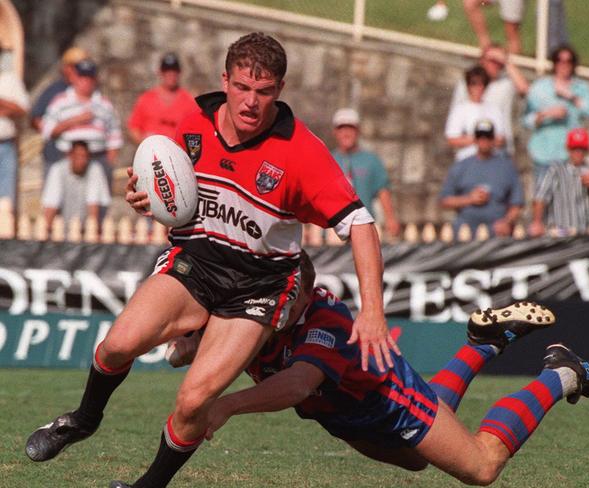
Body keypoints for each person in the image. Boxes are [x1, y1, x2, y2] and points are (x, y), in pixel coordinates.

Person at [25, 32, 399, 487]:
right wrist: (141, 196)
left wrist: (373, 311)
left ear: (279, 91)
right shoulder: (193, 123)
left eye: (263, 92)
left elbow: (361, 224)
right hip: (196, 261)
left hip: (258, 286)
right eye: (242, 88)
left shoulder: (303, 152)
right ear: (225, 80)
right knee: (118, 344)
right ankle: (83, 419)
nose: (250, 103)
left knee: (192, 401)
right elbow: (165, 190)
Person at [138, 252, 589, 488]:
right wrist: (185, 340)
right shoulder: (257, 310)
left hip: (387, 399)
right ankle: (481, 346)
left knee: (480, 466)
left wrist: (226, 405)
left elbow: (299, 382)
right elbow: (192, 334)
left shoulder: (325, 320)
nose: (279, 308)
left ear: (306, 293)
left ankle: (562, 373)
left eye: (290, 298)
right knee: (417, 459)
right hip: (342, 418)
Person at [40, 58, 123, 192]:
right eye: (82, 77)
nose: (86, 82)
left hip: (98, 158)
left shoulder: (104, 103)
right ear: (74, 78)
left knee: (98, 201)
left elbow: (114, 133)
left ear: (95, 80)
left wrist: (109, 161)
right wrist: (75, 120)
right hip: (68, 158)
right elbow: (48, 131)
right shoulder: (60, 101)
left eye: (89, 78)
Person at [523, 45, 589, 186]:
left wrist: (572, 97)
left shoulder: (582, 88)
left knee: (566, 200)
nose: (564, 65)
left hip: (569, 156)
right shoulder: (540, 87)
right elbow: (527, 120)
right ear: (555, 63)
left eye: (568, 61)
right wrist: (547, 114)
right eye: (560, 60)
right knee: (542, 199)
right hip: (544, 153)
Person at [440, 119, 524, 238]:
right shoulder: (461, 166)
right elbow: (445, 201)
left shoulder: (507, 167)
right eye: (480, 137)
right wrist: (469, 199)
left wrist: (506, 222)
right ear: (475, 139)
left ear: (493, 139)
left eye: (487, 137)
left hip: (496, 229)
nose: (484, 141)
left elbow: (517, 203)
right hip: (466, 230)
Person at [331, 107, 400, 238]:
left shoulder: (371, 160)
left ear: (358, 131)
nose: (346, 133)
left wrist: (390, 218)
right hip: (334, 228)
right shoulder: (328, 160)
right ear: (335, 132)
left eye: (350, 128)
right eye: (342, 128)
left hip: (365, 225)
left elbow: (383, 190)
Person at [529, 128, 589, 237]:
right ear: (568, 149)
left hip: (585, 235)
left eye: (582, 149)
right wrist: (537, 222)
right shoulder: (555, 170)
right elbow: (540, 197)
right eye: (574, 149)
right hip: (559, 234)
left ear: (587, 150)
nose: (578, 153)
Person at [449, 44, 529, 156]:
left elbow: (525, 90)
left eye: (498, 61)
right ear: (482, 60)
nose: (495, 65)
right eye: (492, 60)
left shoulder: (506, 83)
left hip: (500, 151)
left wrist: (506, 61)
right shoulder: (467, 84)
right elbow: (456, 117)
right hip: (470, 153)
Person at [30, 46, 89, 177]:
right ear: (66, 68)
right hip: (55, 156)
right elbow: (36, 119)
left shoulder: (90, 90)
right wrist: (54, 130)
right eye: (76, 66)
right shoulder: (54, 90)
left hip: (82, 160)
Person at [41, 140, 112, 233]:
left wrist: (92, 234)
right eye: (78, 157)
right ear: (70, 156)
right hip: (61, 230)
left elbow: (93, 205)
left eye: (85, 157)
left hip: (87, 230)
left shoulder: (94, 169)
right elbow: (51, 204)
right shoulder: (58, 169)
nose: (82, 161)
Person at [127, 52, 197, 144]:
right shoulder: (146, 99)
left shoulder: (189, 101)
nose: (171, 74)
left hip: (177, 153)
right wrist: (145, 142)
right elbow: (134, 127)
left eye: (174, 71)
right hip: (151, 153)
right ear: (160, 72)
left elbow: (196, 131)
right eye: (167, 71)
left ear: (179, 73)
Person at [445, 66, 505, 162]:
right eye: (474, 83)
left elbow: (500, 139)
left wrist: (483, 143)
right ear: (468, 86)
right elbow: (452, 139)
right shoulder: (460, 110)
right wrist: (478, 140)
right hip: (466, 160)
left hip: (491, 161)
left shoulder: (494, 110)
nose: (478, 88)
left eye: (482, 84)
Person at [0, 45, 30, 210]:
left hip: (5, 144)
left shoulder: (9, 80)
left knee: (6, 198)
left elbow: (22, 108)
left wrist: (3, 104)